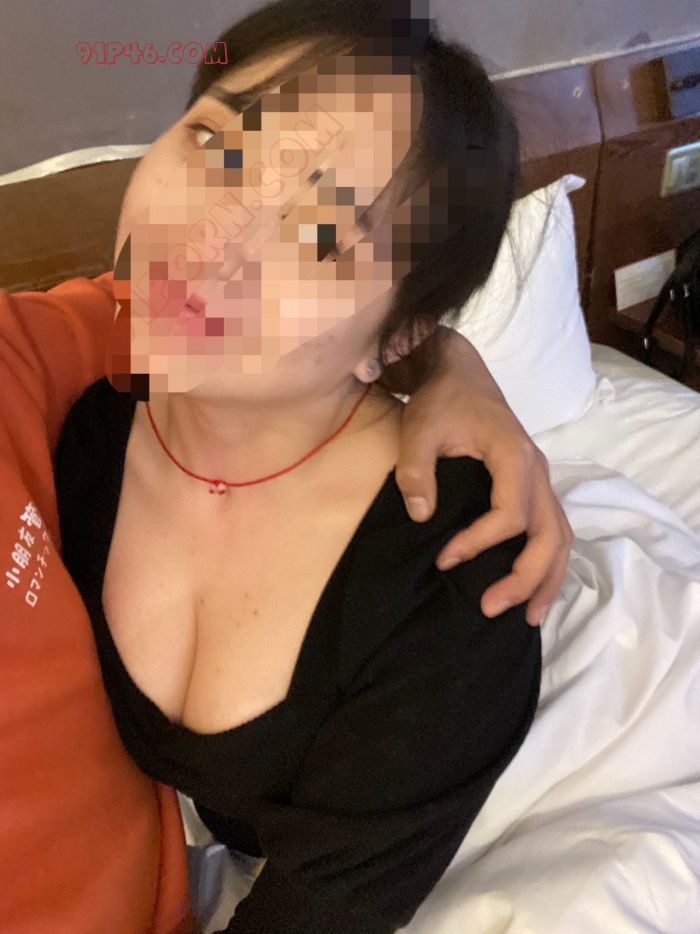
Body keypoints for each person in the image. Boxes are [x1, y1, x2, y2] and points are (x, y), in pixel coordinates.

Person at [0, 3, 571, 933]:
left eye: (321, 231)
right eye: (215, 144)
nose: (213, 235)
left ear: (402, 330)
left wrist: (446, 360)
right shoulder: (80, 421)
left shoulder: (453, 584)